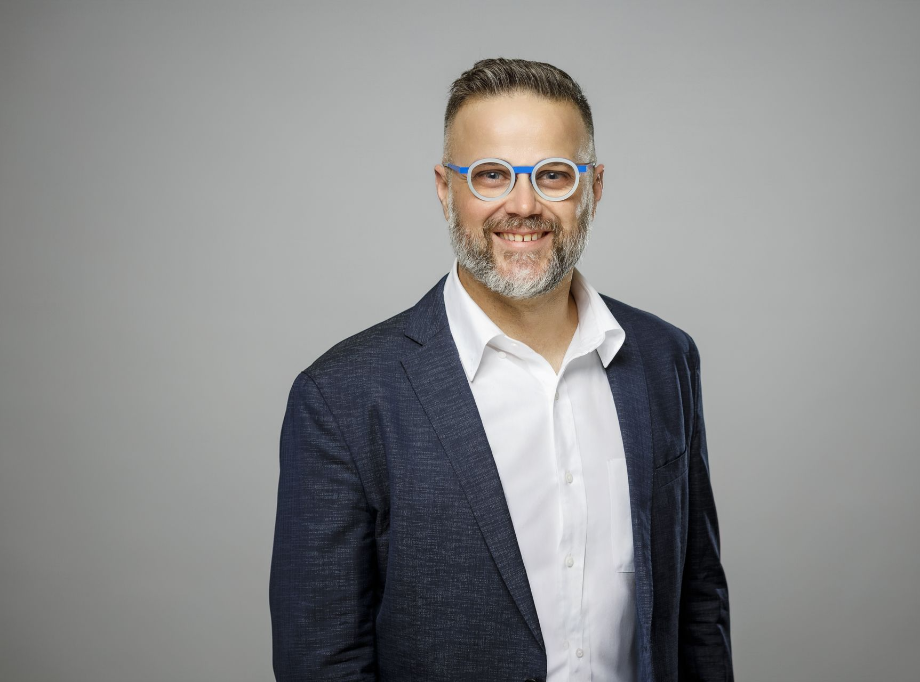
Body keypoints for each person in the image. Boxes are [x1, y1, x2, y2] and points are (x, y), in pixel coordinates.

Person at [270, 58, 733, 682]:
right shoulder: (343, 396)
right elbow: (321, 660)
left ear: (594, 188)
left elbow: (698, 602)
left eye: (553, 175)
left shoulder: (664, 358)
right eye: (491, 175)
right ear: (445, 189)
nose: (523, 205)